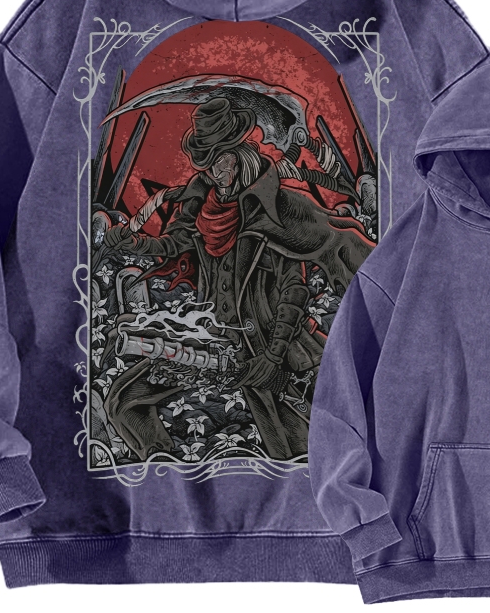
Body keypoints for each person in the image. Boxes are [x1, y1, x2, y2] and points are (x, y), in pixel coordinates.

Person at [103, 96, 374, 461]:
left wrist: (273, 356)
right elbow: (174, 243)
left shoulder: (275, 209)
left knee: (292, 447)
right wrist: (134, 243)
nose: (214, 172)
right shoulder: (201, 203)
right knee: (125, 402)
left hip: (267, 344)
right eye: (206, 164)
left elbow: (294, 289)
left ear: (239, 153)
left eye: (220, 160)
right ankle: (161, 469)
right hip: (210, 336)